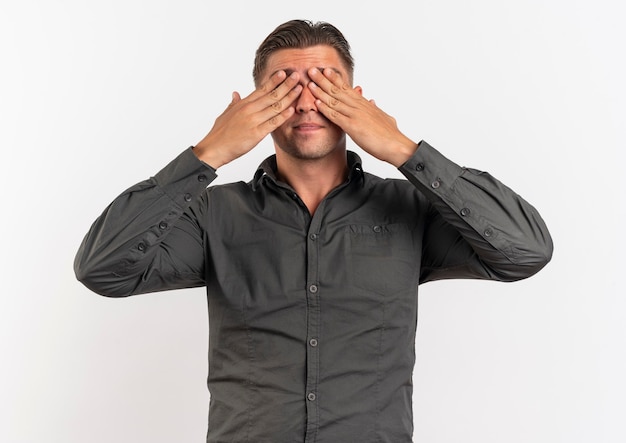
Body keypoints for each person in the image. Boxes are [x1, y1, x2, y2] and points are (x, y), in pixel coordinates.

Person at [74, 19, 553, 443]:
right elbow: (102, 268)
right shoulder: (212, 214)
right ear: (253, 105)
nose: (306, 102)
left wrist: (404, 149)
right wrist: (208, 153)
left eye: (326, 84)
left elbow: (524, 251)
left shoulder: (411, 208)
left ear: (357, 100)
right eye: (283, 86)